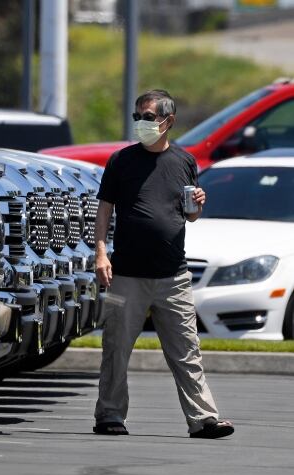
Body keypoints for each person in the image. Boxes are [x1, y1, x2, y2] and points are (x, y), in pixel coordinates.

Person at [92, 89, 234, 439]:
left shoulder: (184, 161)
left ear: (168, 122)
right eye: (137, 117)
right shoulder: (121, 161)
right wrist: (100, 252)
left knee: (187, 350)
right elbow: (105, 209)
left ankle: (203, 419)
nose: (141, 123)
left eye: (148, 118)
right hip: (124, 275)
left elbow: (191, 215)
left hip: (173, 277)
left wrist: (198, 203)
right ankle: (109, 416)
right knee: (115, 348)